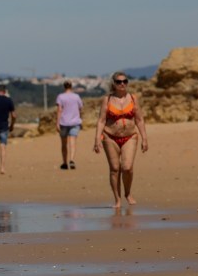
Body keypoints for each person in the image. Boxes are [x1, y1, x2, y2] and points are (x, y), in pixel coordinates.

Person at [93, 71, 149, 208]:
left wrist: (144, 138)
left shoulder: (133, 98)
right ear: (114, 83)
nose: (122, 84)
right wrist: (97, 139)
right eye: (119, 82)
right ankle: (117, 199)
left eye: (125, 81)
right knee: (114, 169)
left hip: (130, 136)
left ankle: (128, 193)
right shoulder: (107, 99)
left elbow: (139, 120)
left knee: (127, 167)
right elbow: (101, 120)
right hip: (109, 136)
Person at [56, 80, 85, 170]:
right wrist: (80, 118)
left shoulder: (60, 97)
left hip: (64, 122)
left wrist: (57, 122)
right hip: (75, 122)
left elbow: (59, 110)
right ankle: (72, 159)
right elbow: (81, 108)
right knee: (72, 142)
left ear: (64, 87)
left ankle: (64, 162)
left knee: (64, 144)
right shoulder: (76, 97)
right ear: (71, 87)